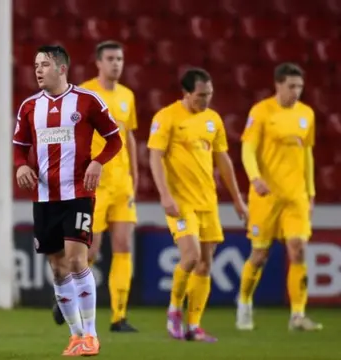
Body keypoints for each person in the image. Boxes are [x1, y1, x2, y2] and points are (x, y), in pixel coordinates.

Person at [13, 45, 122, 356]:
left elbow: (115, 139)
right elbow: (20, 145)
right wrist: (21, 164)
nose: (38, 70)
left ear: (61, 68)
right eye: (36, 64)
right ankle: (76, 336)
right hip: (45, 196)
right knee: (58, 268)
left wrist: (98, 161)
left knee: (76, 260)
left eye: (45, 64)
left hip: (78, 193)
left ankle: (91, 334)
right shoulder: (29, 107)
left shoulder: (87, 102)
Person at [147, 68, 247, 342]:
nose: (206, 100)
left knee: (205, 265)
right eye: (201, 95)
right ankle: (174, 310)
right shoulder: (167, 117)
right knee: (190, 258)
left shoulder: (213, 120)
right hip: (181, 203)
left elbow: (223, 161)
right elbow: (155, 157)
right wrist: (164, 195)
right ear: (186, 93)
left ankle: (194, 326)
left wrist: (238, 199)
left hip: (208, 202)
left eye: (210, 95)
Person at [236, 63, 322, 331]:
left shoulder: (306, 114)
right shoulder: (261, 111)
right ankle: (245, 303)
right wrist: (255, 178)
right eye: (291, 86)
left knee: (298, 251)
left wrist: (311, 193)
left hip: (295, 196)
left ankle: (297, 315)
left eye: (299, 87)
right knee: (260, 254)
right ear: (278, 85)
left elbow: (307, 155)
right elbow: (248, 150)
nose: (296, 92)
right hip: (266, 197)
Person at [78, 40, 139, 332]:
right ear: (99, 63)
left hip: (122, 183)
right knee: (91, 251)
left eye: (120, 59)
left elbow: (130, 138)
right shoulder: (86, 92)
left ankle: (119, 316)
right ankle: (71, 295)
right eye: (111, 58)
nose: (117, 63)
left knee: (124, 245)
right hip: (95, 184)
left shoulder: (128, 95)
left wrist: (136, 176)